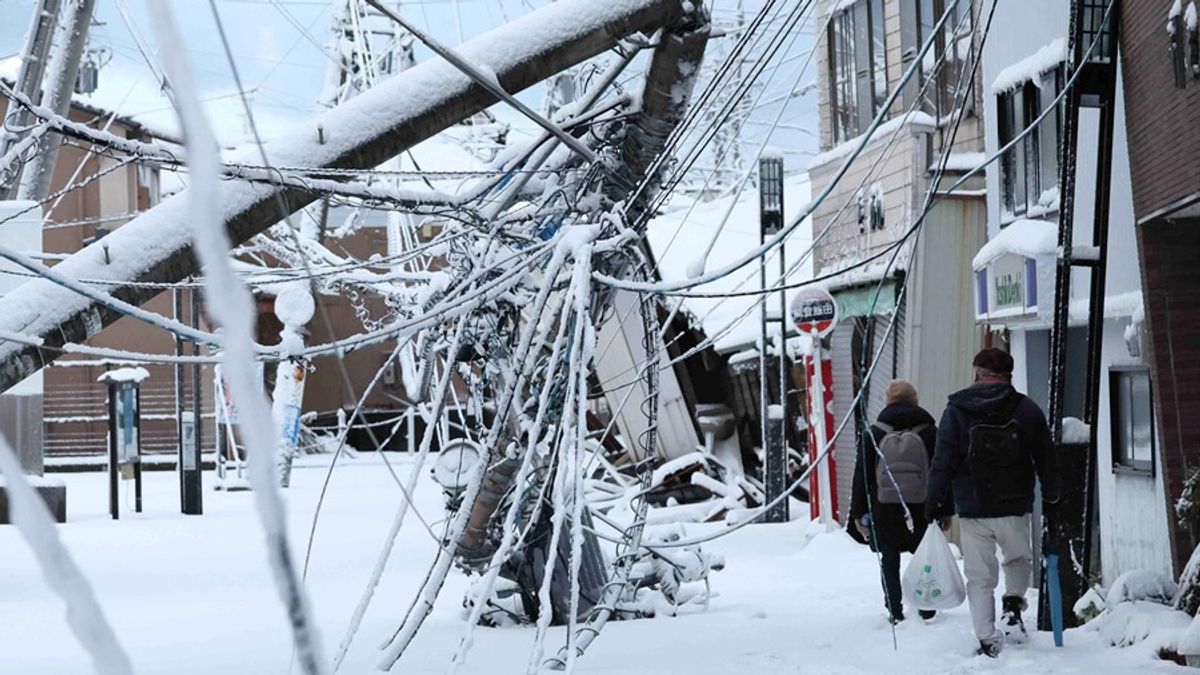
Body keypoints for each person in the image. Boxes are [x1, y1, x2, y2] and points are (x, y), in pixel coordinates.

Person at [924, 348, 1060, 658]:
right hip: (1014, 504)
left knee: (980, 576)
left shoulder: (956, 411)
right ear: (1007, 375)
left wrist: (935, 501)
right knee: (1017, 560)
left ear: (978, 372)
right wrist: (1052, 496)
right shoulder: (1026, 410)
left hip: (973, 506)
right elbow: (1047, 460)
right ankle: (1013, 605)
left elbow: (942, 461)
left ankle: (987, 637)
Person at [849, 379, 947, 625]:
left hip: (885, 507)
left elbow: (861, 475)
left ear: (888, 402)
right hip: (921, 507)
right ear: (915, 401)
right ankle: (926, 607)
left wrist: (857, 514)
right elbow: (942, 471)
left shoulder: (875, 432)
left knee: (889, 558)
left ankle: (895, 609)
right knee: (924, 556)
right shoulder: (930, 432)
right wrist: (944, 509)